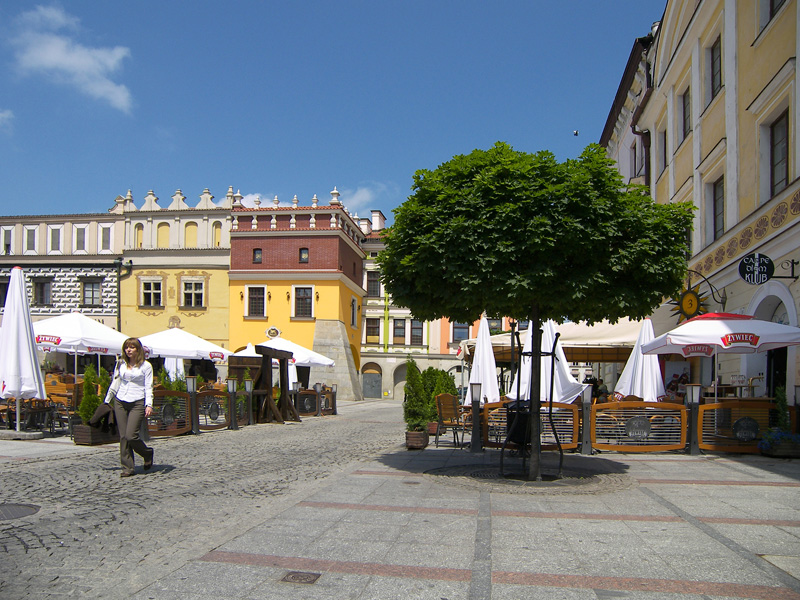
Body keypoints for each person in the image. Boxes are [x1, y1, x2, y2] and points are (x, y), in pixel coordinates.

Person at [104, 337, 154, 477]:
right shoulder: (121, 364)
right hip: (120, 400)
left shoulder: (146, 366)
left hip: (137, 401)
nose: (128, 350)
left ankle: (147, 453)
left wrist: (149, 404)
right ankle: (127, 467)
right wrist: (107, 400)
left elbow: (148, 386)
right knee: (123, 436)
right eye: (126, 347)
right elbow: (116, 382)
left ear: (138, 349)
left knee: (131, 435)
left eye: (132, 347)